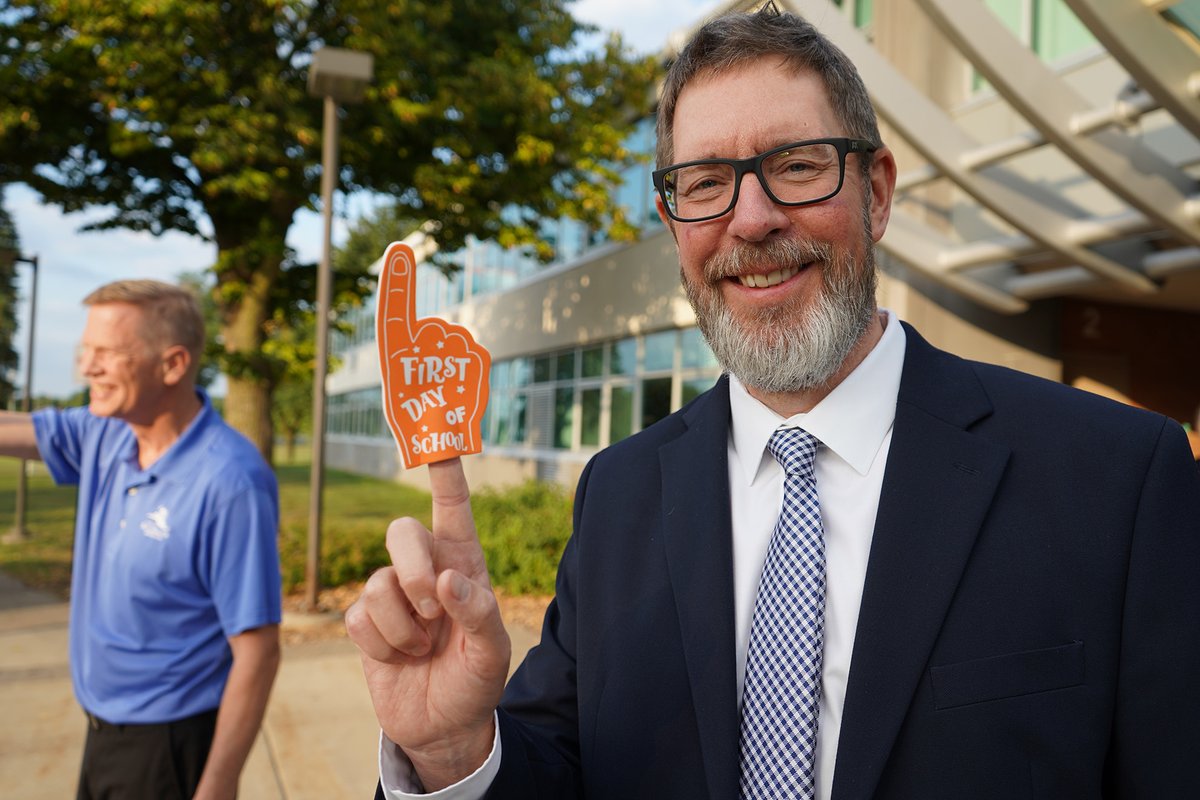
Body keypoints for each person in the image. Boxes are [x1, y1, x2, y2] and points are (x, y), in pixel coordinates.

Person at [346, 5, 1200, 799]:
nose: (751, 219)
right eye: (707, 182)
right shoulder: (620, 495)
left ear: (877, 192)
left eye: (795, 166)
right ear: (675, 222)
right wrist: (453, 750)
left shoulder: (1117, 480)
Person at [0, 279, 282, 799]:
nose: (87, 367)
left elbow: (259, 651)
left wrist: (217, 784)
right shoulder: (106, 434)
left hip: (169, 751)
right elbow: (12, 428)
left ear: (172, 364)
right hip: (103, 731)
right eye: (86, 350)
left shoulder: (230, 482)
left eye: (106, 353)